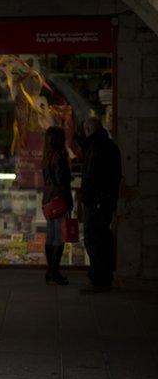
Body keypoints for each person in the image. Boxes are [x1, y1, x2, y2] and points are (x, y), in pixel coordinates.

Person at [80, 117, 122, 292]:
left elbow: (92, 176)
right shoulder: (111, 146)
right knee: (103, 237)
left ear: (89, 129)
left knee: (93, 238)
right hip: (106, 200)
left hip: (97, 201)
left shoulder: (96, 148)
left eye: (85, 130)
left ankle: (99, 279)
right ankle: (105, 276)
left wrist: (87, 198)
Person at [42, 126, 72, 286]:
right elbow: (62, 181)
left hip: (48, 201)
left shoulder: (46, 157)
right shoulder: (59, 157)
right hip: (59, 200)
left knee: (51, 236)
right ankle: (54, 272)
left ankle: (50, 271)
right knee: (59, 238)